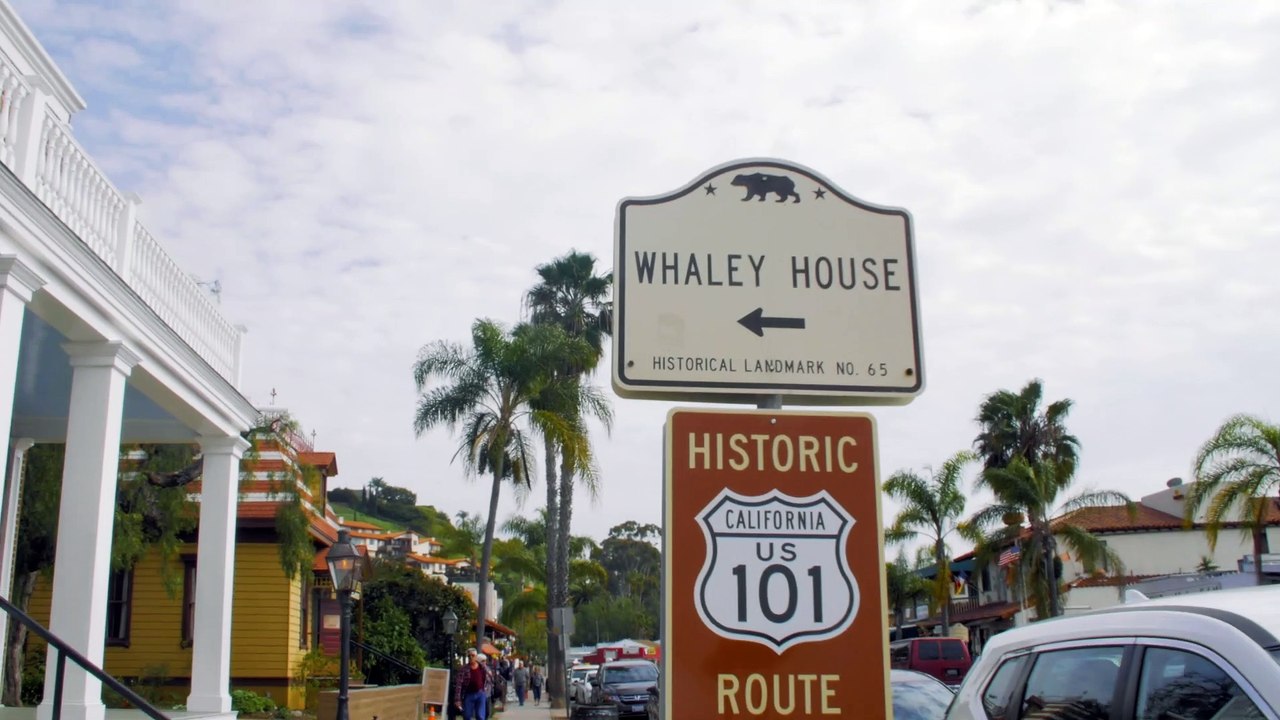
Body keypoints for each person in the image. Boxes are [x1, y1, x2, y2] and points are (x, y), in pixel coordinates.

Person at [452, 649, 491, 720]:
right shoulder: (464, 669)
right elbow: (459, 685)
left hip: (480, 693)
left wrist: (486, 691)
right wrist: (457, 699)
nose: (471, 657)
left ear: (476, 656)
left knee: (480, 716)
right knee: (467, 715)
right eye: (469, 656)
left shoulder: (482, 667)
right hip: (469, 694)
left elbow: (489, 679)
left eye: (472, 655)